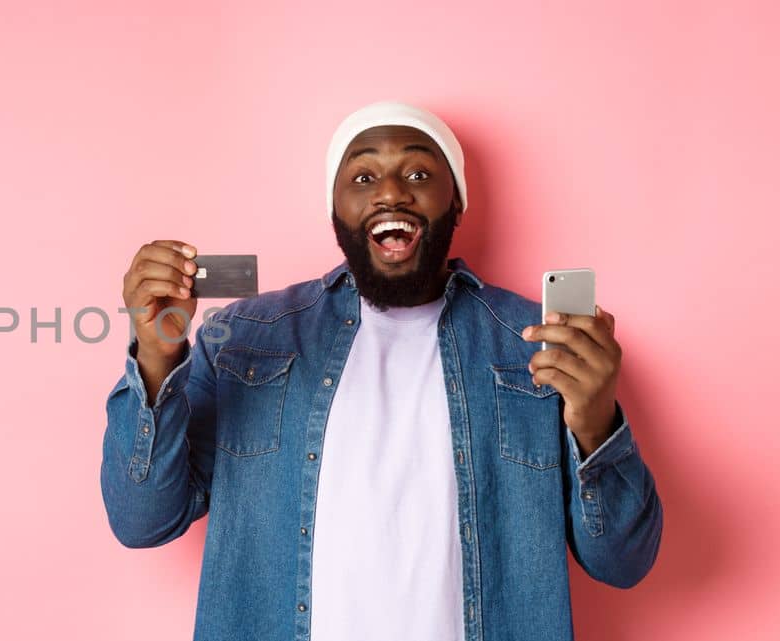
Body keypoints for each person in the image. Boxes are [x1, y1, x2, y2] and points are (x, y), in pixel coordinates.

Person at [100, 101, 662, 641]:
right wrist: (156, 355)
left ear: (457, 202)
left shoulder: (537, 343)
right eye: (363, 178)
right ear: (334, 209)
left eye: (418, 172)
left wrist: (595, 422)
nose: (391, 191)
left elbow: (623, 561)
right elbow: (143, 519)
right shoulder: (248, 336)